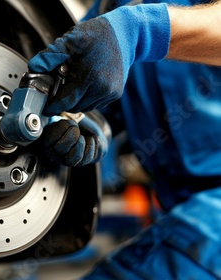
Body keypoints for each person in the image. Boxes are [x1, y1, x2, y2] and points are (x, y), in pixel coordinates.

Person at [29, 0, 221, 278]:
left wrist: (143, 30)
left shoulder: (128, 21)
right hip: (179, 208)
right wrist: (79, 125)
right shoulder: (115, 8)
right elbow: (92, 103)